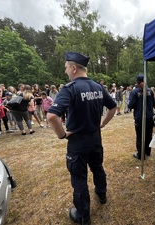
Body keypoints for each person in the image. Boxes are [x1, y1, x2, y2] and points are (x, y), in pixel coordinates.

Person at [47, 52, 117, 225]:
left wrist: (62, 135)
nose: (65, 72)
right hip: (95, 138)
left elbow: (51, 117)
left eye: (66, 68)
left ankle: (83, 216)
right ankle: (102, 195)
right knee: (98, 168)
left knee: (79, 179)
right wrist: (102, 124)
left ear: (74, 68)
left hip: (77, 141)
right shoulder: (98, 87)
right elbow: (113, 107)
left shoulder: (70, 88)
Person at [128, 74, 155, 160]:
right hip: (149, 116)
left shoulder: (134, 92)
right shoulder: (150, 91)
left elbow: (131, 105)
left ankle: (141, 154)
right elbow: (153, 103)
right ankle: (148, 151)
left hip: (140, 117)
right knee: (148, 135)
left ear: (137, 81)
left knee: (140, 136)